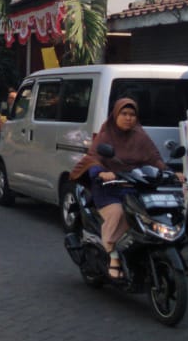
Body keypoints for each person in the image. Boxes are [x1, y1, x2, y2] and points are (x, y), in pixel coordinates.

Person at [69, 97, 165, 279]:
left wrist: (170, 173)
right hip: (108, 188)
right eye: (124, 114)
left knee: (145, 215)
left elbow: (155, 158)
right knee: (118, 213)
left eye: (132, 114)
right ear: (115, 115)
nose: (128, 118)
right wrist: (101, 172)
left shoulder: (141, 137)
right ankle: (112, 254)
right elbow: (93, 158)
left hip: (133, 187)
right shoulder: (106, 135)